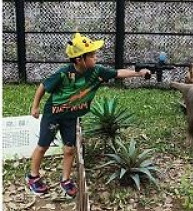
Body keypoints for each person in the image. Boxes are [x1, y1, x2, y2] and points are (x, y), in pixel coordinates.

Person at [26, 33, 150, 198]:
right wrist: (35, 106)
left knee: (70, 149)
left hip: (71, 117)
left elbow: (118, 73)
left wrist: (138, 74)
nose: (96, 58)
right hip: (54, 115)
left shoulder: (96, 72)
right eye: (92, 55)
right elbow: (43, 86)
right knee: (43, 146)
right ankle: (32, 177)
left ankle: (65, 179)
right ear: (79, 59)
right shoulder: (63, 74)